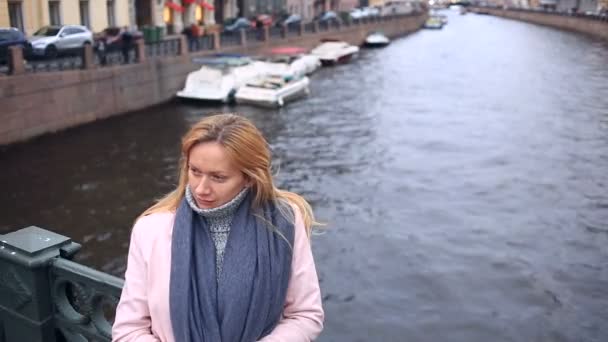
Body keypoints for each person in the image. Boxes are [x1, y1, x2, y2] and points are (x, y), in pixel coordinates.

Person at [112, 114, 324, 342]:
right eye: (195, 172)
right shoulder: (151, 229)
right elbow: (129, 329)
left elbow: (305, 314)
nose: (201, 189)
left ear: (250, 178)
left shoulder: (283, 222)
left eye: (218, 177)